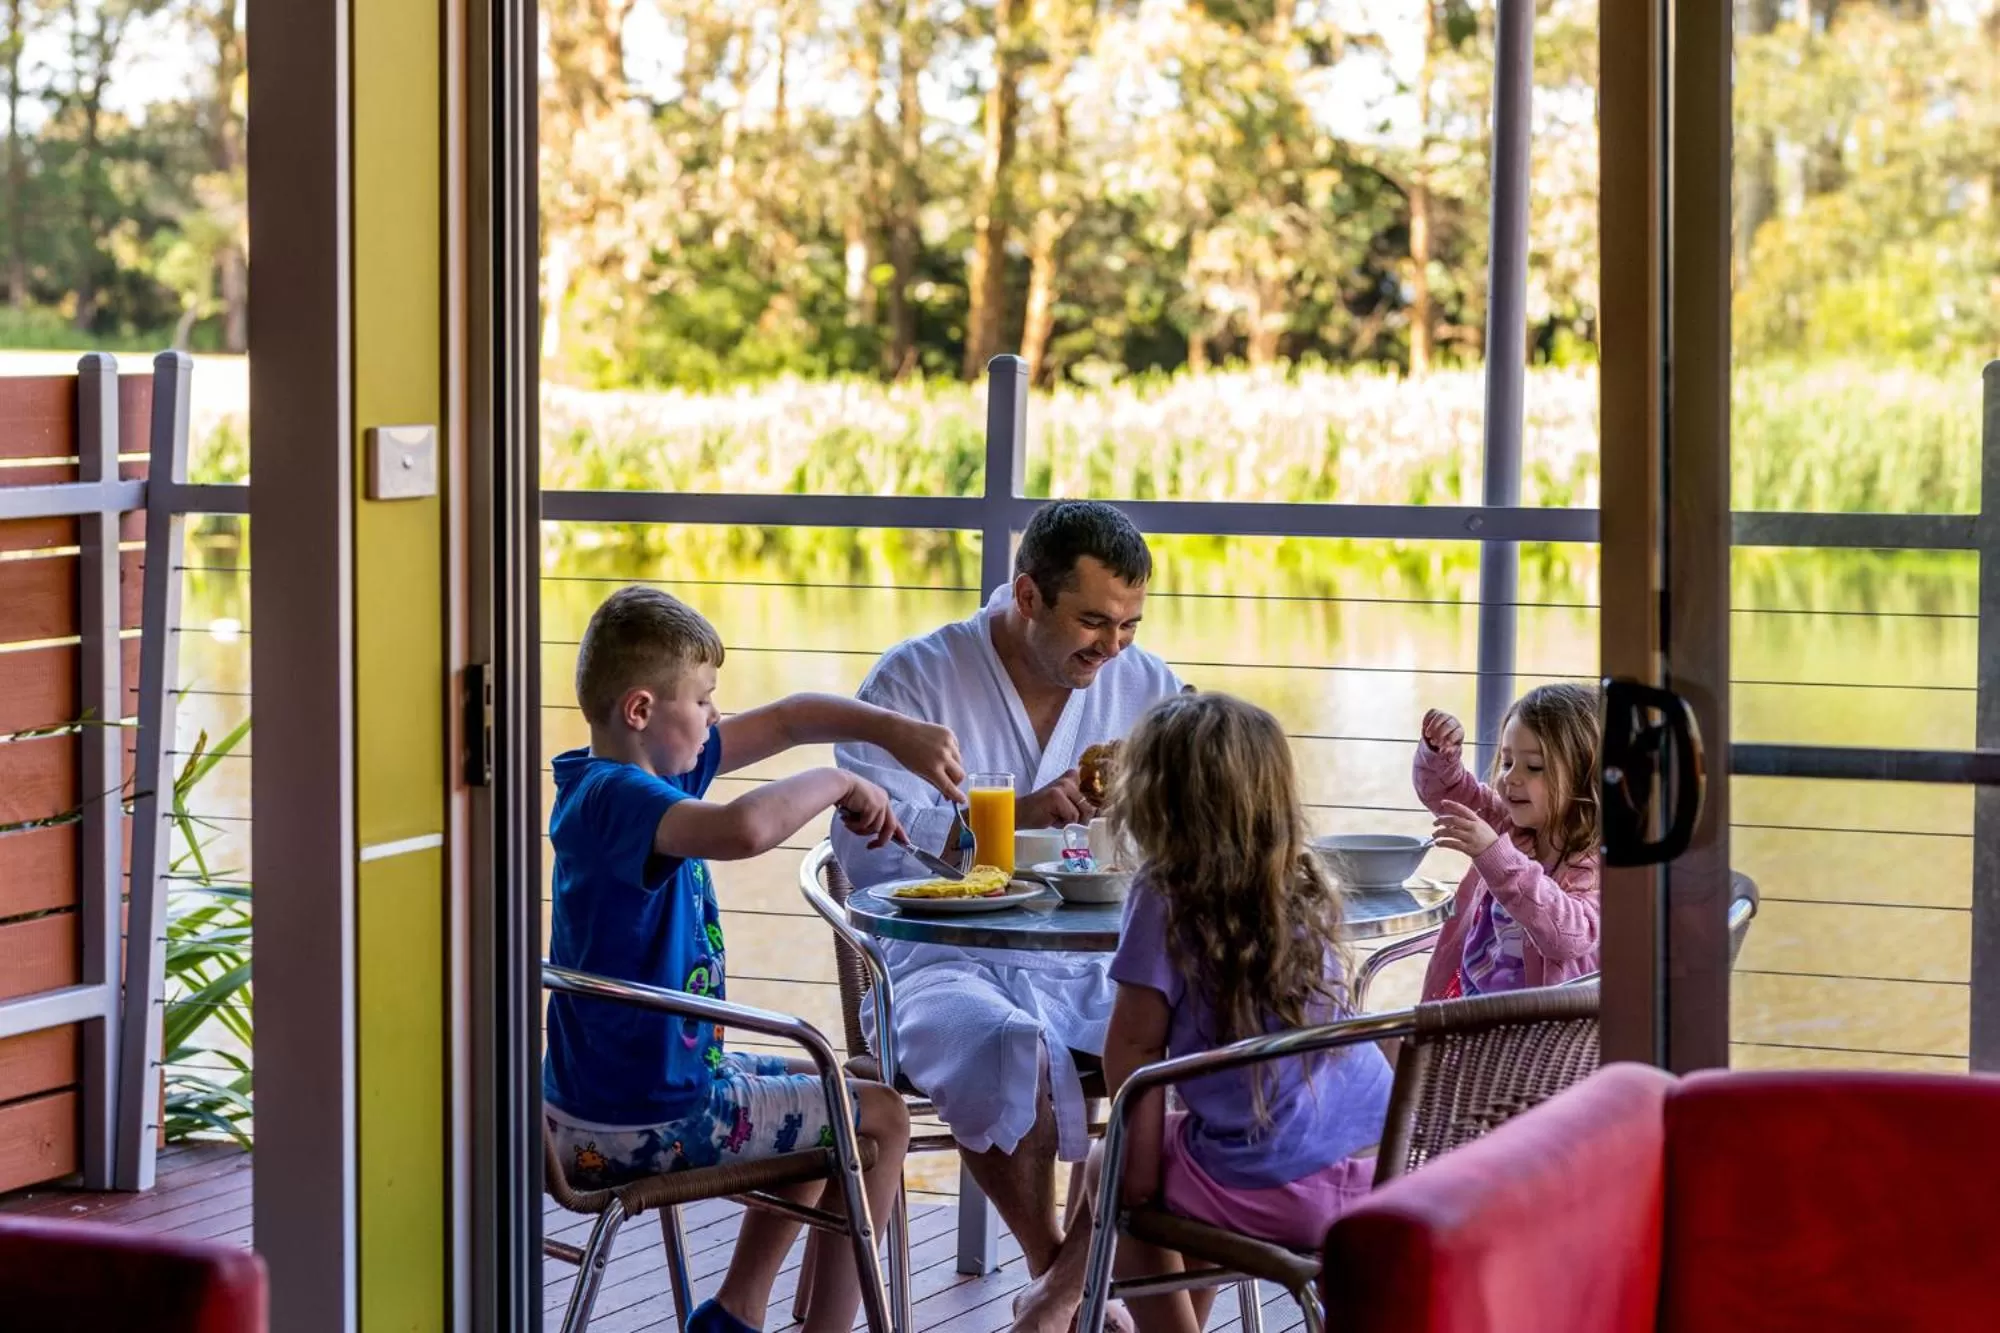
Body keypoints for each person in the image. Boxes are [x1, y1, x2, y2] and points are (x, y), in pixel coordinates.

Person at [545, 585, 966, 1333]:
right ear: (641, 710)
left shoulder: (634, 775)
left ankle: (737, 1312)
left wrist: (893, 732)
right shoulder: (615, 797)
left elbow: (792, 717)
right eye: (704, 701)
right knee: (884, 1118)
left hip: (643, 1092)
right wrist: (840, 780)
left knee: (848, 1083)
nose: (715, 718)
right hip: (640, 1117)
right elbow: (744, 828)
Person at [832, 500, 1184, 1288]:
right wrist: (1001, 823)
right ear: (1027, 598)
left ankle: (1060, 1301)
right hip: (941, 958)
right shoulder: (916, 678)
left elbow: (1208, 802)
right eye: (1094, 621)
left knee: (1204, 1037)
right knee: (1002, 1044)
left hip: (1100, 957)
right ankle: (1058, 1270)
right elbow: (859, 845)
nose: (1114, 645)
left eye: (1129, 623)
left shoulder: (1147, 683)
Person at [1014, 692, 1393, 1333]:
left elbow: (1132, 1048)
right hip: (1382, 1168)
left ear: (1161, 800)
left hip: (1274, 1181)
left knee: (1115, 1173)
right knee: (1182, 1153)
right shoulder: (1306, 882)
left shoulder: (1165, 892)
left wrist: (1134, 1186)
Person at [1413, 682, 1603, 999]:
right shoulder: (1507, 824)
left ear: (1583, 777)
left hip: (1532, 1037)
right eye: (1506, 762)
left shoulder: (1593, 864)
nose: (1511, 777)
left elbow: (1568, 936)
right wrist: (1440, 753)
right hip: (1472, 1013)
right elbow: (1445, 793)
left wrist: (1495, 855)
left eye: (1534, 767)